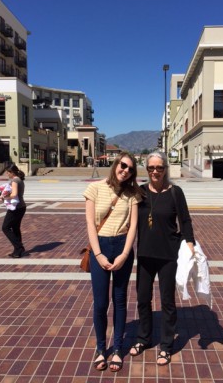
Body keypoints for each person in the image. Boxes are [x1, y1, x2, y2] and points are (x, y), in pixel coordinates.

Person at [129, 151, 195, 366]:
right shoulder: (139, 192)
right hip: (145, 254)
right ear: (146, 170)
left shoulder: (176, 192)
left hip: (168, 254)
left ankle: (166, 345)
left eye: (159, 168)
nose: (155, 172)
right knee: (142, 299)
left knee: (167, 301)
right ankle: (144, 338)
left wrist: (190, 244)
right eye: (151, 168)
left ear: (166, 168)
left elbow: (185, 221)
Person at [83, 152, 141, 372]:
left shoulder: (133, 193)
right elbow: (90, 224)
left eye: (130, 169)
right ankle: (100, 348)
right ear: (115, 164)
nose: (125, 170)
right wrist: (98, 255)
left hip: (122, 247)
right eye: (123, 165)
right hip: (100, 247)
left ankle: (117, 348)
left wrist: (125, 254)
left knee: (119, 300)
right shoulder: (95, 188)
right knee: (100, 303)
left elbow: (133, 226)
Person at [0, 164, 27, 258]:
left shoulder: (15, 180)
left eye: (8, 172)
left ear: (12, 172)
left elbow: (14, 194)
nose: (7, 174)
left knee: (5, 227)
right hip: (21, 207)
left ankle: (19, 247)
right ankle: (17, 251)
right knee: (15, 228)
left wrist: (4, 196)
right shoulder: (20, 180)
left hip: (16, 208)